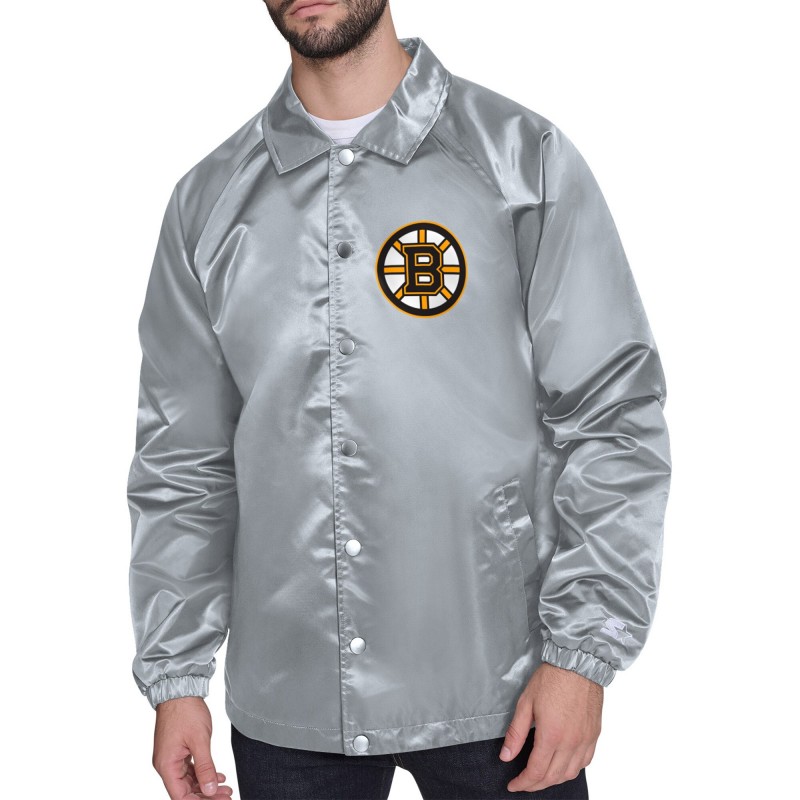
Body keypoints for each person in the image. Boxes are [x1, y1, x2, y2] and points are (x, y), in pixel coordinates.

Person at [126, 1, 672, 798]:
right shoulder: (208, 203)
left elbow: (613, 414)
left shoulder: (521, 160)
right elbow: (184, 460)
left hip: (504, 684)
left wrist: (583, 656)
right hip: (290, 698)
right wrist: (176, 677)